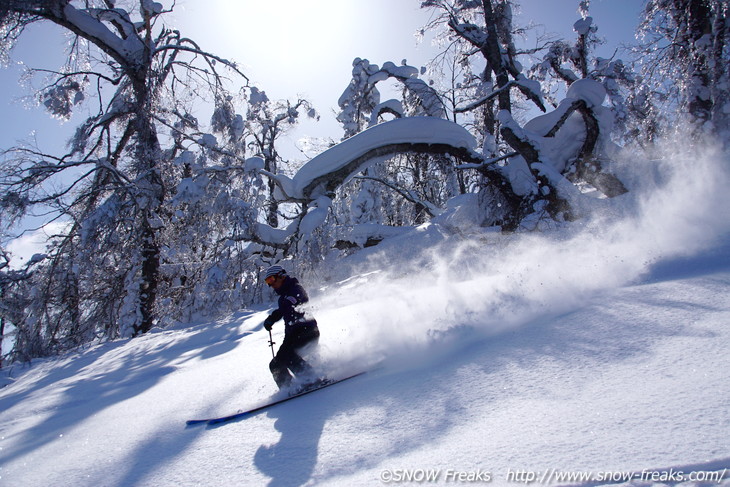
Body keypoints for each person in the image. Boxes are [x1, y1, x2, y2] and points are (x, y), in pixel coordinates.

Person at [262, 265, 321, 390]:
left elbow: (294, 302)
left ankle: (312, 379)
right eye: (268, 282)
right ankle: (288, 389)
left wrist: (283, 309)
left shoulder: (296, 289)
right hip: (292, 335)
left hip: (307, 331)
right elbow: (283, 309)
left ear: (281, 276)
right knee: (275, 364)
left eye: (272, 280)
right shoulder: (283, 297)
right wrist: (272, 318)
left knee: (289, 355)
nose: (271, 284)